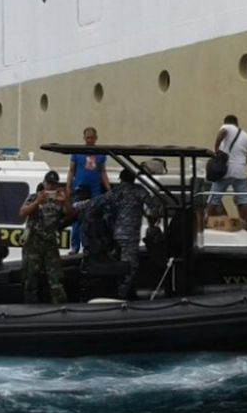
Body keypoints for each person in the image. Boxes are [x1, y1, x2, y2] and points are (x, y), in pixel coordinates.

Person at [89, 169, 160, 299]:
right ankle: (120, 296)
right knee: (129, 268)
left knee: (117, 268)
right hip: (130, 236)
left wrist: (76, 205)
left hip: (115, 236)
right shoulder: (139, 190)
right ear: (133, 179)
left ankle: (119, 293)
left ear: (121, 179)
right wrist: (151, 221)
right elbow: (154, 208)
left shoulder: (116, 191)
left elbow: (97, 202)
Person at [19, 170, 75, 304]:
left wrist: (65, 201)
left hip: (50, 244)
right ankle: (30, 307)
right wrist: (37, 202)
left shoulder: (58, 200)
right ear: (44, 183)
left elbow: (70, 214)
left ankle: (60, 307)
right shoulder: (34, 197)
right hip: (33, 244)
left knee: (56, 279)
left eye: (54, 185)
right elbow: (22, 213)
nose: (51, 187)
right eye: (49, 184)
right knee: (30, 278)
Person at [206, 114, 247, 230]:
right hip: (240, 171)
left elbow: (221, 133)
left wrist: (216, 150)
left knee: (215, 196)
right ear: (237, 123)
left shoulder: (227, 126)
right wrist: (241, 164)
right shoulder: (246, 135)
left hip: (226, 170)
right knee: (243, 198)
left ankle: (207, 220)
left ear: (227, 122)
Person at [66, 126, 111, 252]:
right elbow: (71, 170)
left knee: (93, 218)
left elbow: (102, 172)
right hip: (79, 189)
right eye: (87, 138)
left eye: (92, 138)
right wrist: (68, 187)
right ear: (84, 138)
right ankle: (75, 246)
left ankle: (90, 246)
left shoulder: (101, 154)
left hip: (95, 190)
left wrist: (108, 189)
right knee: (77, 217)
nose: (89, 140)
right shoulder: (77, 152)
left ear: (96, 138)